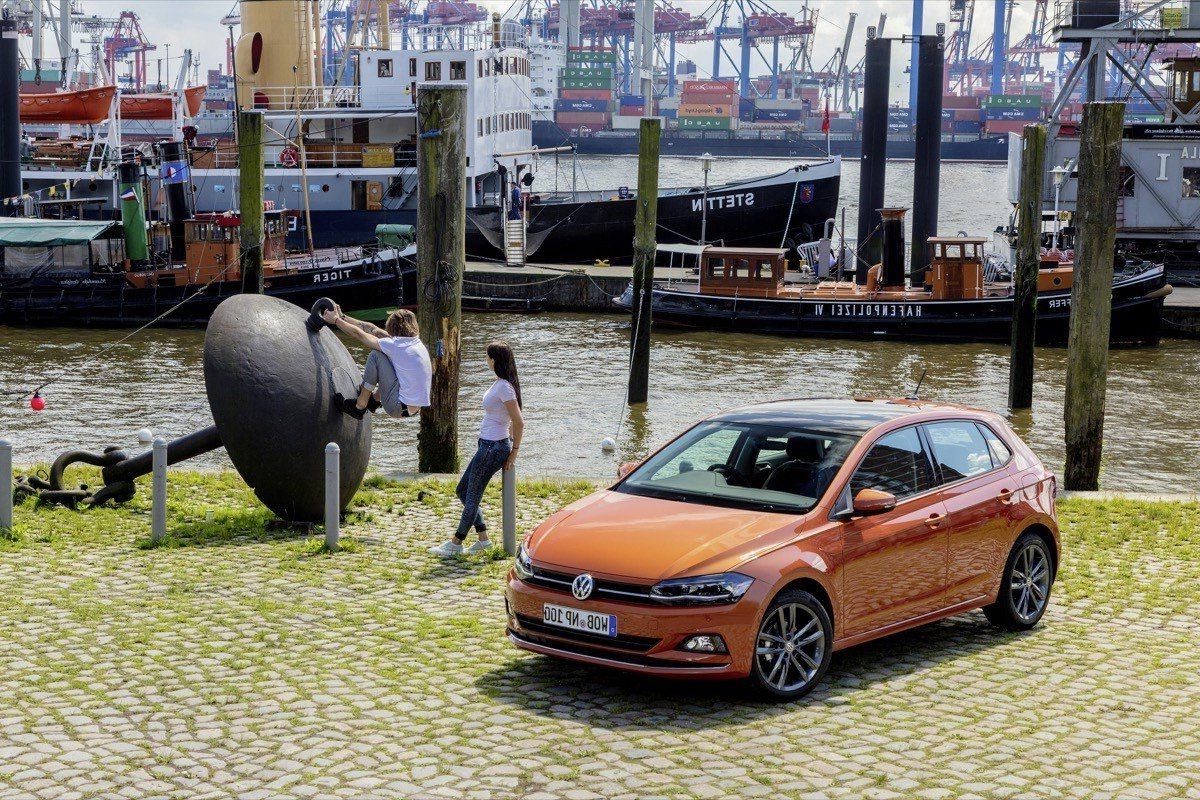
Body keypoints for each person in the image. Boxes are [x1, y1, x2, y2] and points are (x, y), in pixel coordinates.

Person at [430, 341, 524, 557]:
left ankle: (456, 543)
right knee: (462, 490)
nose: (486, 359)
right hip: (487, 445)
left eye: (487, 356)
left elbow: (519, 421)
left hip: (493, 447)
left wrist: (513, 451)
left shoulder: (504, 387)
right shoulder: (501, 384)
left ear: (494, 360)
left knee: (472, 496)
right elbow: (508, 418)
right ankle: (483, 539)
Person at [322, 304, 431, 420]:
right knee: (389, 359)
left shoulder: (396, 346)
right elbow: (372, 329)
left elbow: (359, 334)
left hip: (397, 407)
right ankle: (374, 401)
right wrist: (343, 317)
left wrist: (336, 320)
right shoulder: (413, 343)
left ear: (392, 326)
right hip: (411, 407)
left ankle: (360, 406)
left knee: (376, 355)